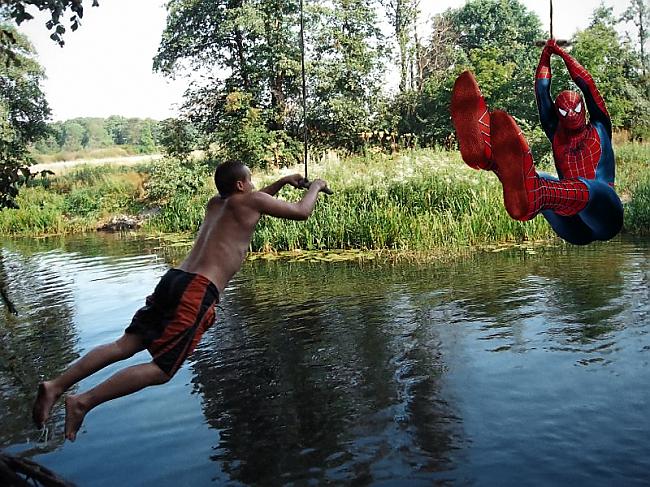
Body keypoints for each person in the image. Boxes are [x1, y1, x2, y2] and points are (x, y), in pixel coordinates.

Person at [32, 160, 329, 441]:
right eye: (250, 180)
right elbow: (301, 212)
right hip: (198, 290)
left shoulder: (218, 203)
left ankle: (55, 385)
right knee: (162, 369)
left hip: (175, 279)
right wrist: (314, 186)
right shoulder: (249, 201)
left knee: (125, 344)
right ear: (240, 184)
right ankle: (83, 402)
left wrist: (282, 181)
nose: (253, 185)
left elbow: (256, 201)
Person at [450, 39, 623, 245]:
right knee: (532, 178)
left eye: (575, 109)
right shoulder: (556, 131)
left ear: (584, 109)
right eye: (563, 111)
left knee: (589, 189)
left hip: (605, 216)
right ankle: (491, 158)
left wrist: (558, 53)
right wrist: (546, 55)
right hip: (572, 224)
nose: (570, 114)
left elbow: (587, 84)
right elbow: (542, 91)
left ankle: (498, 166)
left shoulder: (600, 126)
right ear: (558, 115)